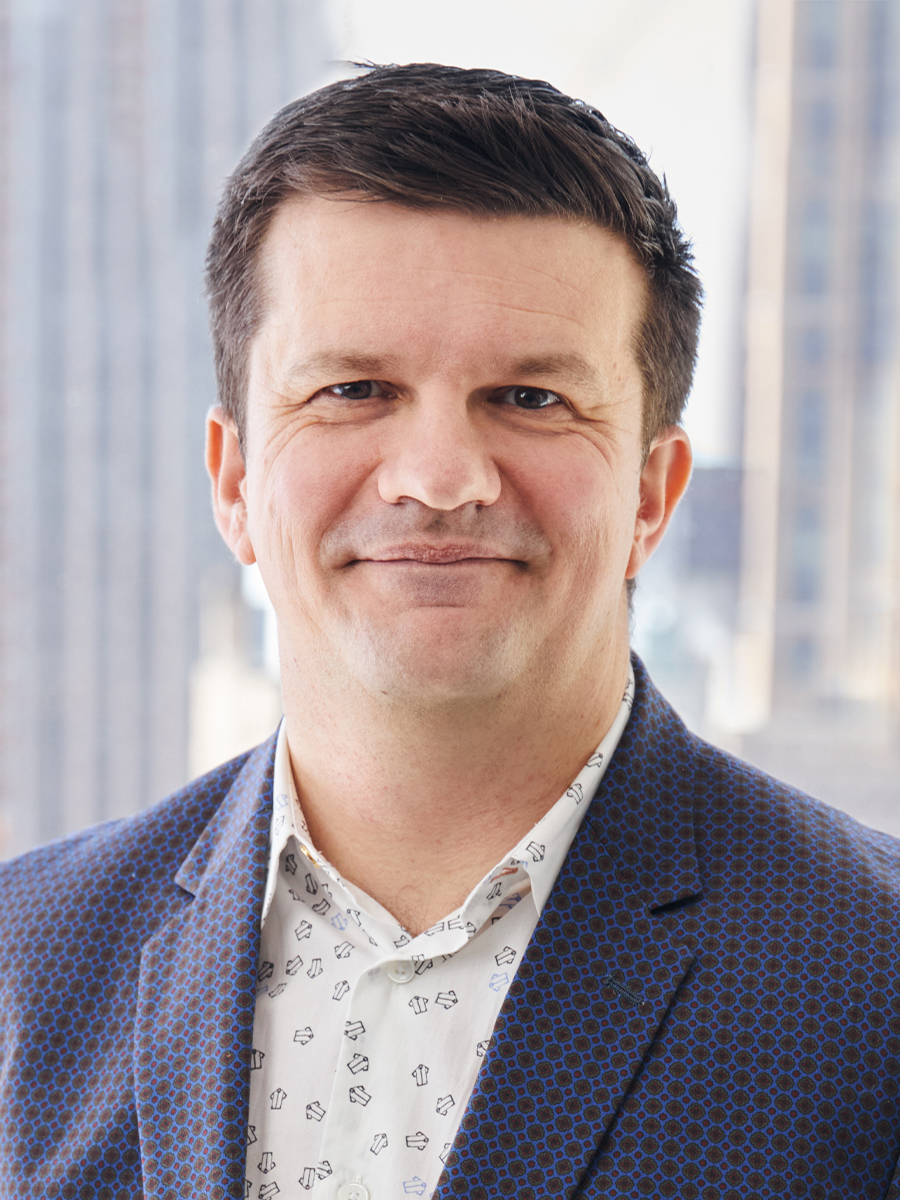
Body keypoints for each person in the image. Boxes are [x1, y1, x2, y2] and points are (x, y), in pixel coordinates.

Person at [1, 62, 898, 1200]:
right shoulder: (24, 965)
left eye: (530, 399)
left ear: (651, 494)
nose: (438, 479)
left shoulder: (874, 977)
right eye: (354, 390)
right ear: (233, 480)